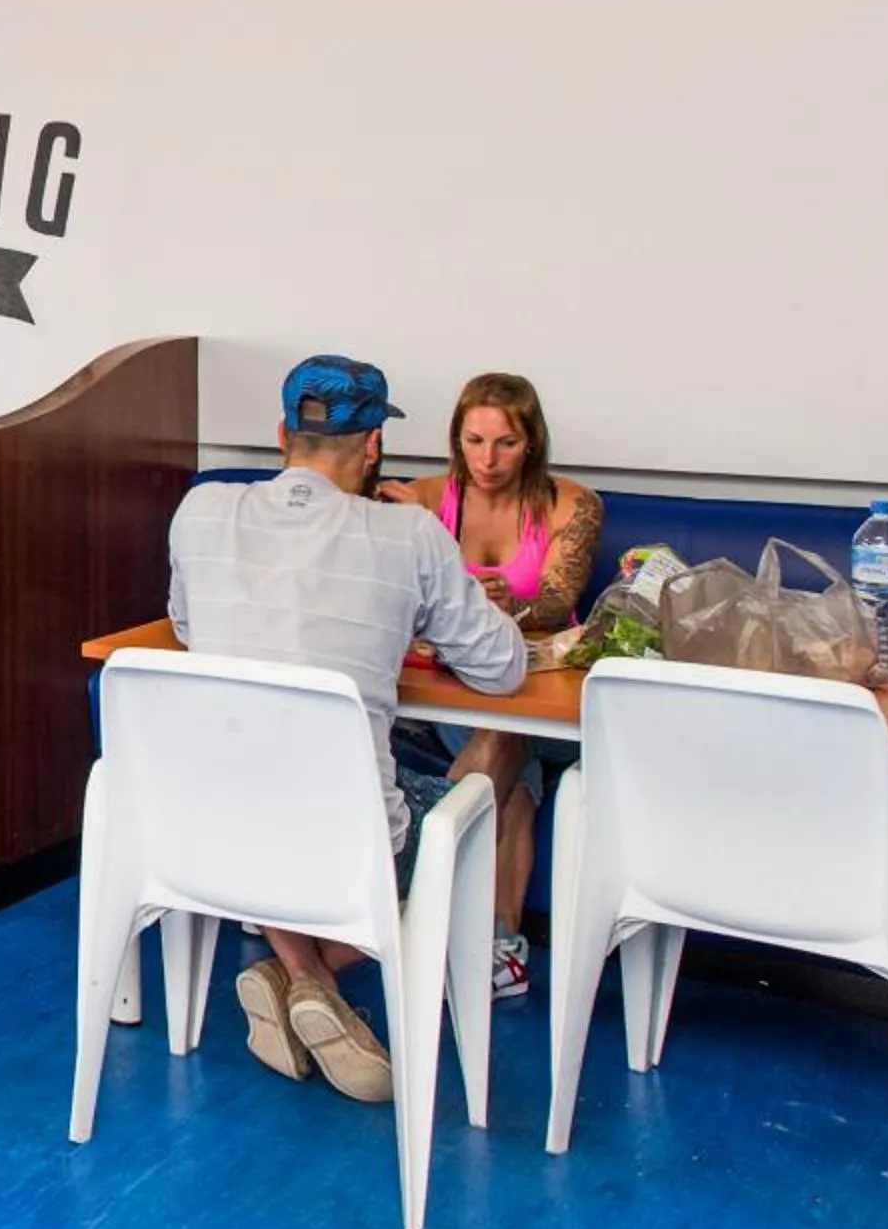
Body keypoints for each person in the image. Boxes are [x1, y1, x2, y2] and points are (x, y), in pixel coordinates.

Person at [166, 355, 524, 1106]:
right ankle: (314, 974)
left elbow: (189, 625)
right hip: (349, 843)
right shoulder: (410, 535)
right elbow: (503, 670)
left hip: (211, 827)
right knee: (482, 798)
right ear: (372, 449)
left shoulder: (198, 515)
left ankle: (292, 972)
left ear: (281, 435)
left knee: (265, 785)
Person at [377, 372, 604, 1002]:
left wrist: (517, 605)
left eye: (505, 443)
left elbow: (560, 602)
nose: (487, 459)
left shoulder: (571, 504)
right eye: (473, 441)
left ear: (531, 442)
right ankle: (500, 948)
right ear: (456, 439)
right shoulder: (425, 500)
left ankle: (418, 896)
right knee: (513, 774)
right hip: (463, 695)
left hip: (551, 699)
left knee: (508, 734)